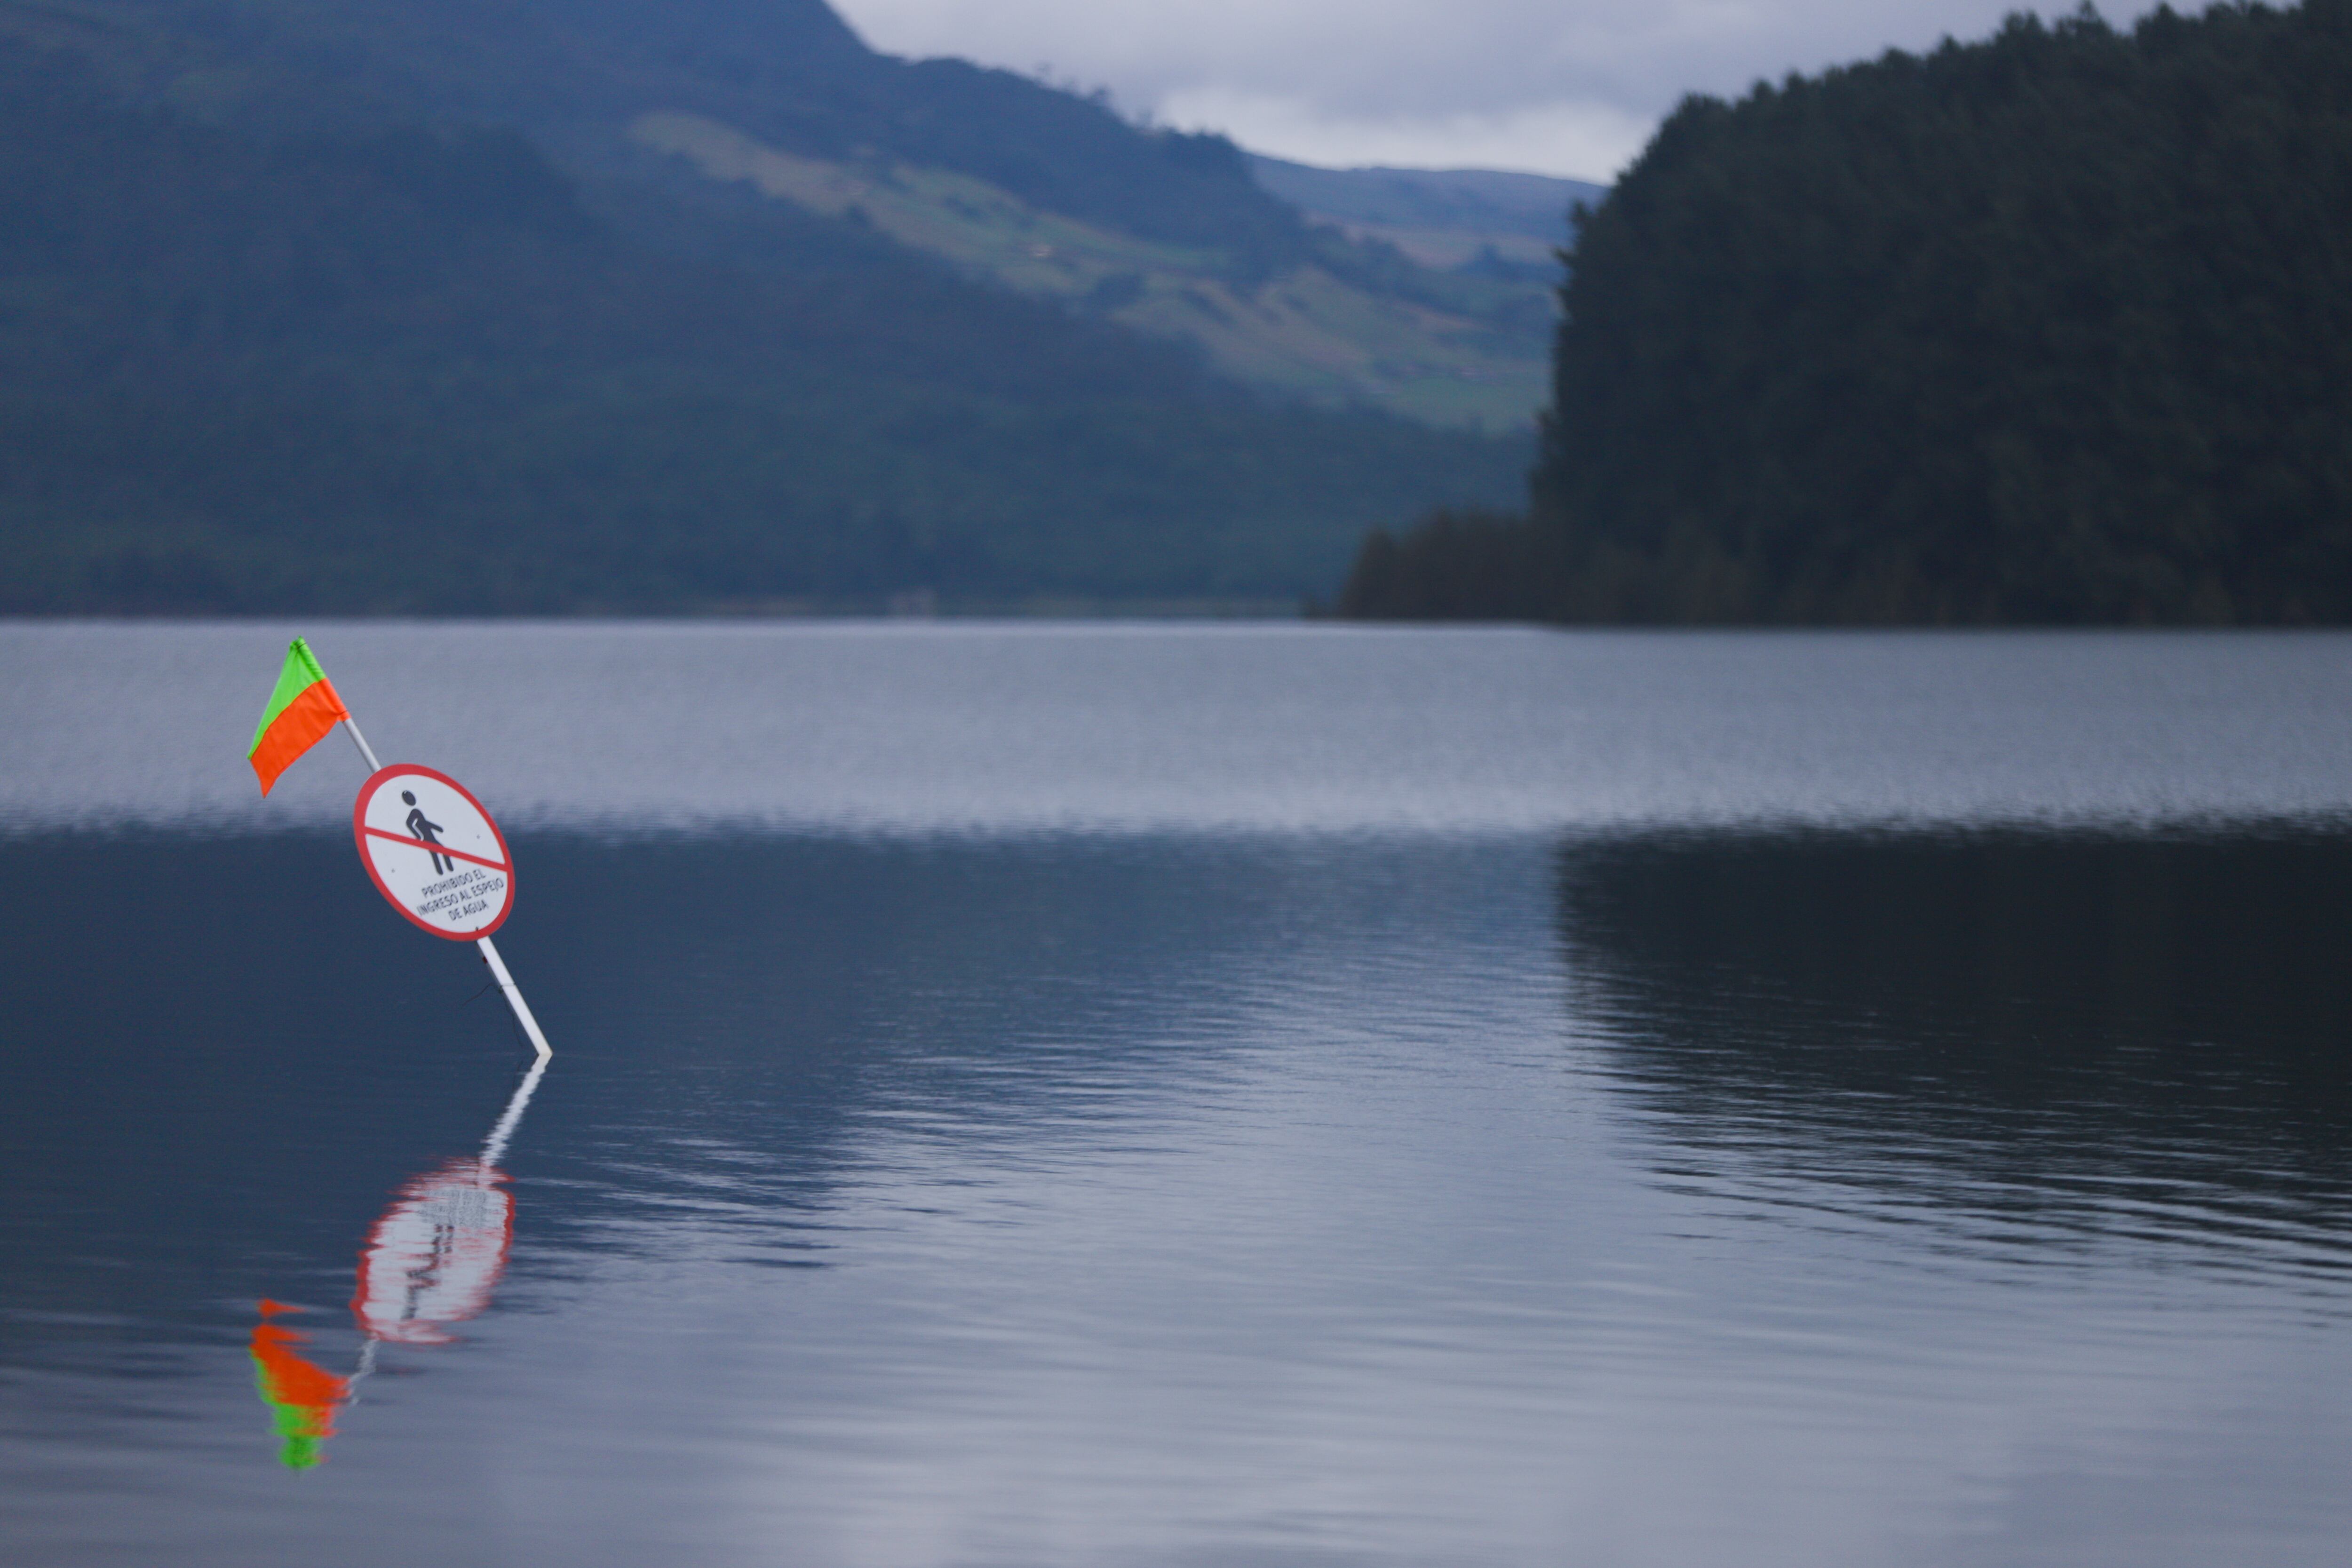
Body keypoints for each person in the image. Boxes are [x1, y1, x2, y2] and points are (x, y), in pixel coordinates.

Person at [401, 789, 452, 874]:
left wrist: (438, 828)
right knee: (436, 854)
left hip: (431, 837)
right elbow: (409, 823)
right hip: (427, 839)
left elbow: (426, 823)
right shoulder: (414, 812)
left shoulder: (418, 811)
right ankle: (441, 872)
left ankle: (448, 871)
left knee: (441, 852)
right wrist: (418, 836)